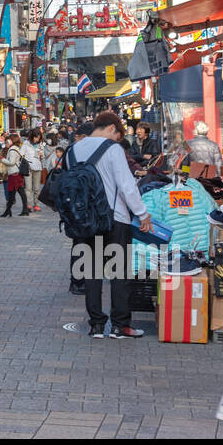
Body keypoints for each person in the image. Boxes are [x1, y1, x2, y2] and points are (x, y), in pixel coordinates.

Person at [69, 111, 153, 339]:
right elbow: (126, 186)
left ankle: (96, 325)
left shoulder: (74, 149)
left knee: (93, 273)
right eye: (118, 136)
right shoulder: (113, 149)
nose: (117, 140)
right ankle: (120, 326)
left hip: (86, 220)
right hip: (115, 218)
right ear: (111, 129)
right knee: (119, 273)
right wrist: (143, 214)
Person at [0, 134, 30, 217]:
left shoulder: (12, 150)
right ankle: (23, 210)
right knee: (20, 192)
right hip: (17, 173)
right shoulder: (16, 148)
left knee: (12, 194)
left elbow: (12, 162)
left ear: (12, 140)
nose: (8, 141)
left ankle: (8, 211)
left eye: (9, 139)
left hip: (14, 174)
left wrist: (3, 160)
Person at [25, 129, 45, 212]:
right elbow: (22, 154)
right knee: (28, 188)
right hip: (28, 168)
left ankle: (36, 204)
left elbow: (43, 156)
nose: (37, 139)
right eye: (36, 137)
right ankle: (28, 205)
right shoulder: (26, 144)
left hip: (37, 167)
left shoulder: (40, 144)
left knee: (37, 188)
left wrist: (41, 155)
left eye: (38, 138)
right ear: (32, 136)